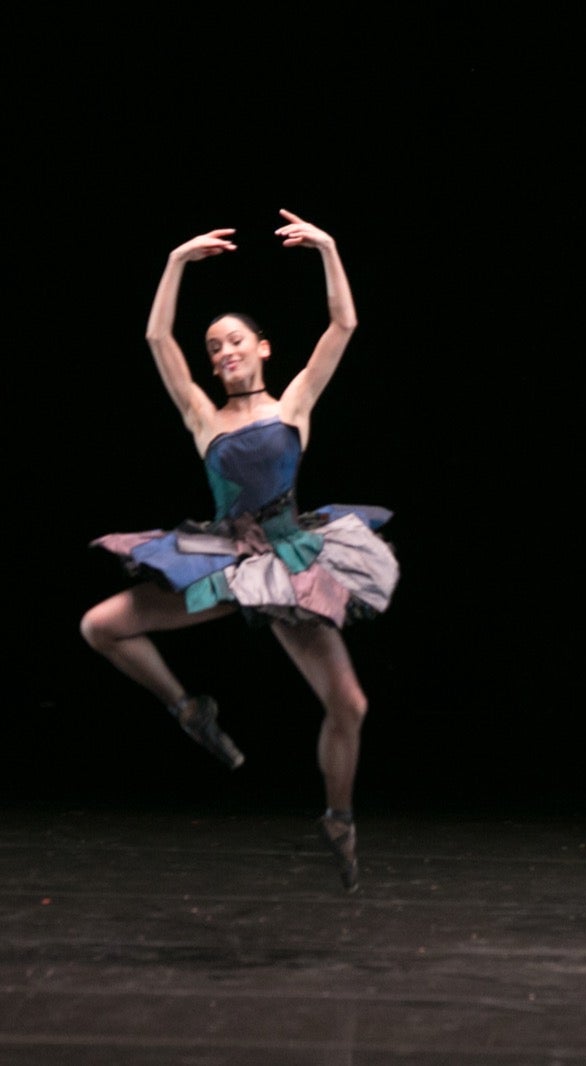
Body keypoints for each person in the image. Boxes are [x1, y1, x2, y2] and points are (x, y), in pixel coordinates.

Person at [81, 210, 397, 890]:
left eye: (233, 341)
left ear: (262, 349)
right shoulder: (202, 418)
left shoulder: (294, 408)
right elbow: (155, 336)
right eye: (213, 346)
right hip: (222, 559)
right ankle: (189, 708)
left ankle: (338, 816)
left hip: (285, 563)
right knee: (101, 626)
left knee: (350, 704)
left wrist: (330, 248)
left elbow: (343, 326)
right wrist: (174, 260)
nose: (221, 351)